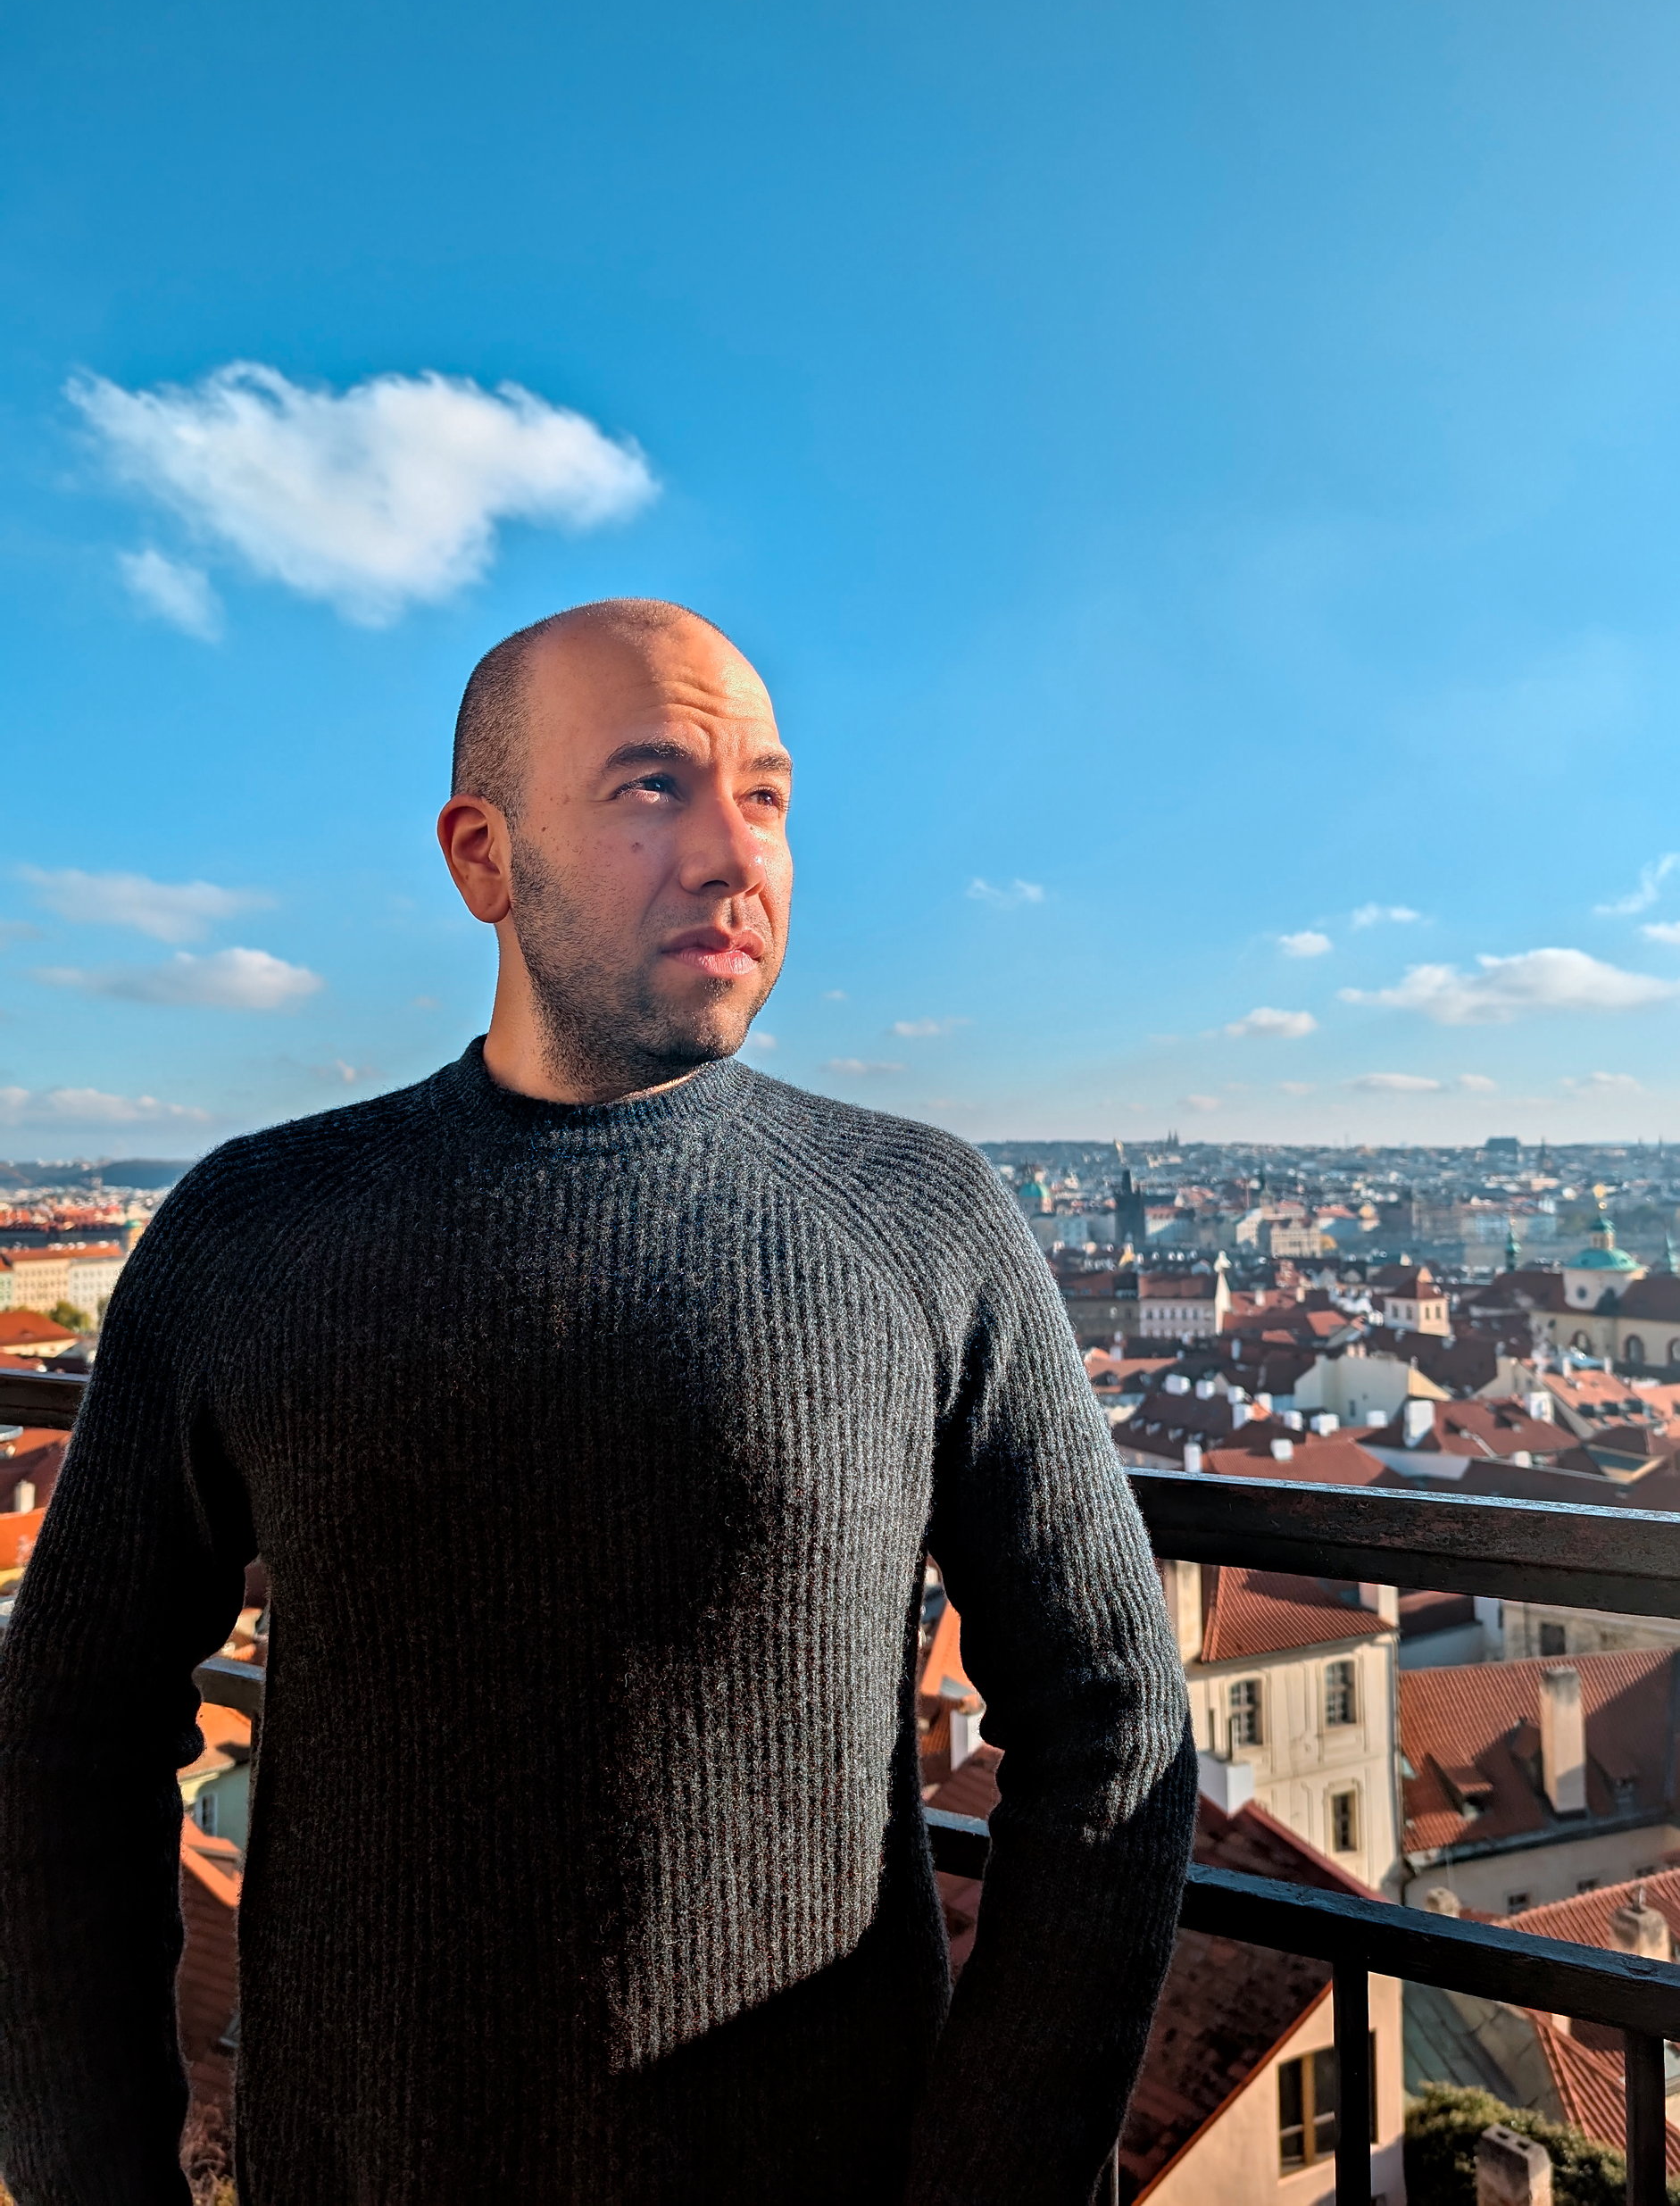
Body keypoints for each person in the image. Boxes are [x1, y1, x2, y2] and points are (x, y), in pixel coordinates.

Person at [0, 600, 1194, 2205]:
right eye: (651, 787)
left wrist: (999, 2170)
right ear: (482, 858)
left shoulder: (920, 1217)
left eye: (764, 795)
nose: (730, 852)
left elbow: (1111, 1715)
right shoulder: (251, 1232)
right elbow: (65, 1739)